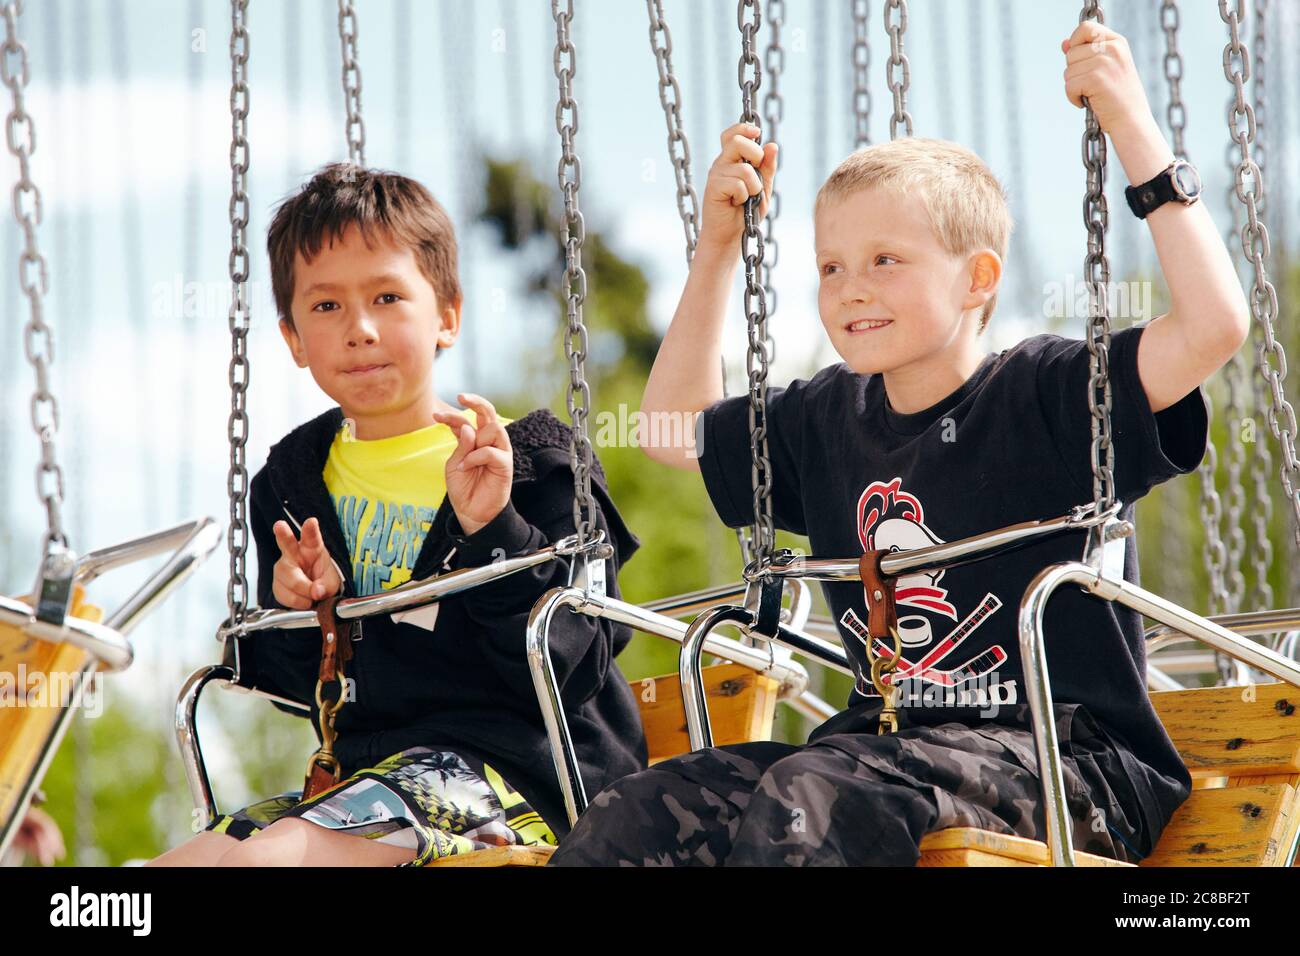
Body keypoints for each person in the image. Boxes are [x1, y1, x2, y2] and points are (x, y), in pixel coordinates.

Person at [551, 20, 1242, 866]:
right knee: (641, 810)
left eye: (885, 260)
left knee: (817, 793)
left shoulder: (1049, 395)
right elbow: (666, 431)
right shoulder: (823, 420)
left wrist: (1129, 120)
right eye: (831, 267)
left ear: (977, 277)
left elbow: (1213, 326)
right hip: (878, 751)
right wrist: (718, 248)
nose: (850, 290)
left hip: (1076, 769)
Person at [148, 163, 646, 867]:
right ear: (293, 338)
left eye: (387, 297)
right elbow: (304, 689)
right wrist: (301, 609)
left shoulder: (532, 465)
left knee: (266, 864)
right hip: (361, 779)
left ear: (447, 315)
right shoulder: (292, 484)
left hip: (526, 779)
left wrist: (494, 528)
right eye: (325, 308)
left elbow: (578, 659)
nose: (360, 329)